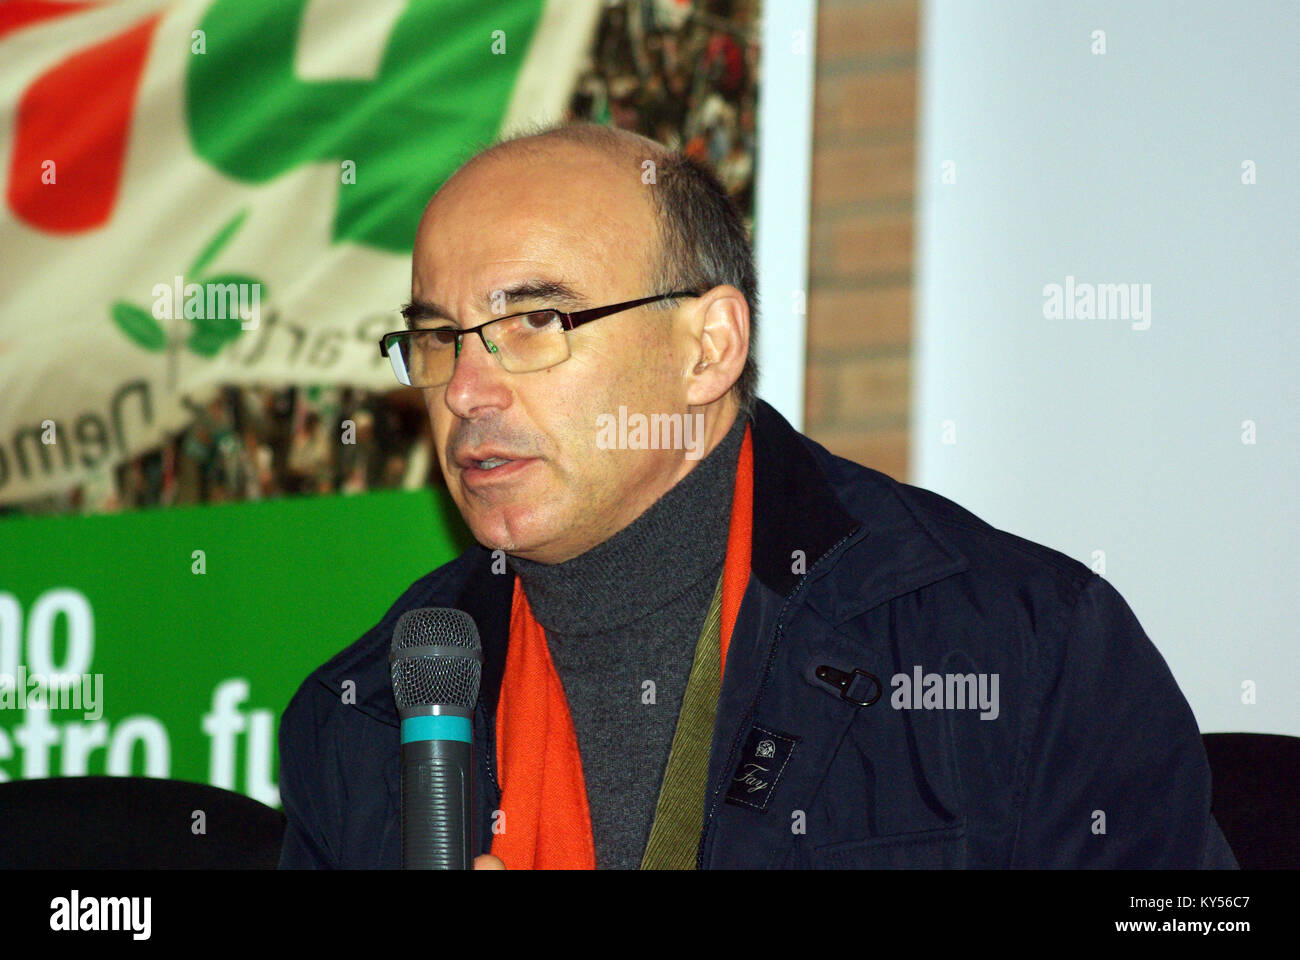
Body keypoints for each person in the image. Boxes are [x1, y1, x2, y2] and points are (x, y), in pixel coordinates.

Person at [278, 122, 1236, 870]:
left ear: (709, 348)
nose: (464, 391)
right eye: (439, 335)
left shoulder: (1016, 647)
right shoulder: (361, 719)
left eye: (535, 319)